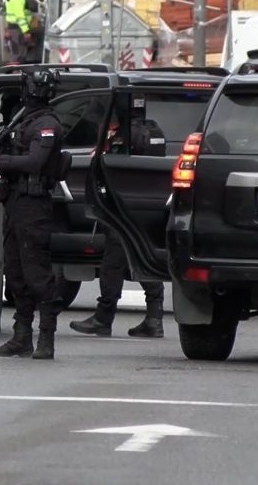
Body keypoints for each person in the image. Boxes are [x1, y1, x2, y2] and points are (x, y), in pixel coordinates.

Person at [0, 70, 66, 360]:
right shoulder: (23, 118)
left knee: (37, 273)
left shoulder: (47, 124)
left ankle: (46, 338)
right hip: (14, 201)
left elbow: (36, 161)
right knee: (15, 273)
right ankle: (22, 336)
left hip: (33, 205)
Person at [70, 96, 168, 338]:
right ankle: (154, 318)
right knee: (143, 260)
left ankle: (103, 318)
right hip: (146, 208)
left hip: (121, 208)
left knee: (112, 264)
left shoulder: (122, 136)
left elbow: (107, 166)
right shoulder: (153, 130)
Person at [4, 0, 33, 64]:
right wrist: (26, 31)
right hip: (18, 30)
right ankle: (15, 74)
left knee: (15, 52)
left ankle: (15, 73)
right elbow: (20, 16)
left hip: (12, 28)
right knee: (18, 55)